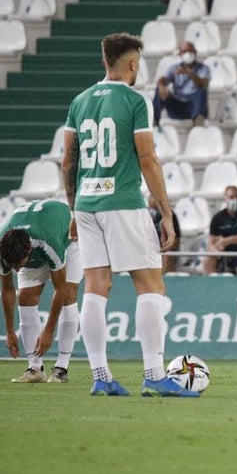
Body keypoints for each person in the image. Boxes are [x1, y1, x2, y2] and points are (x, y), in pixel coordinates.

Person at [62, 32, 197, 397]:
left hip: (87, 205)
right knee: (151, 284)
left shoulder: (80, 101)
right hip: (122, 201)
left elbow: (68, 161)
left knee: (96, 288)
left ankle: (101, 376)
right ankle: (154, 374)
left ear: (104, 62)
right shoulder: (136, 101)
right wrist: (165, 213)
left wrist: (74, 207)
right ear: (132, 64)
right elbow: (148, 159)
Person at [0, 199, 80, 385]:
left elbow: (60, 288)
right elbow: (7, 289)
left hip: (68, 239)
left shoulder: (48, 241)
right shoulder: (1, 249)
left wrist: (49, 330)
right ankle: (35, 368)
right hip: (38, 233)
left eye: (19, 264)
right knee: (25, 297)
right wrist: (9, 331)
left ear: (29, 249)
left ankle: (61, 368)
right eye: (12, 265)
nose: (17, 270)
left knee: (68, 296)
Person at [153, 41, 210, 127]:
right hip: (177, 106)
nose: (188, 54)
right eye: (184, 52)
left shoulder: (203, 68)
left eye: (190, 51)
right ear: (180, 54)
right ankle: (154, 119)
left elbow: (203, 84)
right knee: (159, 89)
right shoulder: (175, 68)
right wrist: (161, 86)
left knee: (201, 91)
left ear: (195, 53)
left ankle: (198, 120)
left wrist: (189, 73)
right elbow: (162, 79)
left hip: (193, 106)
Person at [149, 193, 183, 272]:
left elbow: (176, 238)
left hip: (163, 248)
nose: (152, 200)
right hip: (148, 246)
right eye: (150, 197)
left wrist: (166, 245)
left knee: (166, 255)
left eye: (153, 197)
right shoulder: (145, 214)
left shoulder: (170, 216)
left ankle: (164, 278)